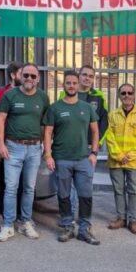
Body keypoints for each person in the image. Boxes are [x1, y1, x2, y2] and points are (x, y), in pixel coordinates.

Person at [0, 63, 50, 242]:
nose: (29, 79)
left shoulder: (43, 97)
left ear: (38, 78)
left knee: (29, 188)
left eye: (33, 76)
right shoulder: (10, 95)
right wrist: (0, 145)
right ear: (20, 76)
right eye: (26, 75)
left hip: (34, 148)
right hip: (13, 147)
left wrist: (46, 148)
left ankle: (25, 222)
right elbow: (0, 119)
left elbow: (45, 124)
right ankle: (8, 225)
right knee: (11, 188)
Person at [44, 71, 100, 245]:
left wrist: (94, 153)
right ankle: (68, 226)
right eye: (68, 83)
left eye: (74, 83)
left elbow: (95, 131)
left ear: (78, 85)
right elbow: (47, 132)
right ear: (64, 85)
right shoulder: (55, 108)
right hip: (62, 158)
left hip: (84, 159)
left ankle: (85, 229)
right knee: (64, 195)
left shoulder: (86, 107)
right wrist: (48, 155)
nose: (71, 86)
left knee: (85, 195)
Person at [104, 83, 136, 235]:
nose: (127, 96)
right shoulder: (112, 115)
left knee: (134, 191)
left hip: (134, 161)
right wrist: (119, 156)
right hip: (116, 161)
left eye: (130, 93)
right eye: (123, 93)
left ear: (134, 95)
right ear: (119, 95)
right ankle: (121, 218)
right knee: (118, 190)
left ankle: (134, 220)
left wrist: (129, 156)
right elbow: (109, 137)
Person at [0, 61, 22, 232]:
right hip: (4, 144)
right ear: (13, 75)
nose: (26, 78)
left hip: (22, 145)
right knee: (0, 182)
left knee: (21, 184)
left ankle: (17, 218)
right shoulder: (0, 93)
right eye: (22, 73)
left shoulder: (30, 94)